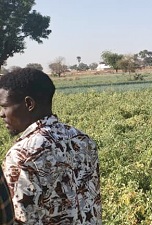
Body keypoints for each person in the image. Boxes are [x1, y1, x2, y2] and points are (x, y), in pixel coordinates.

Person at [0, 68, 102, 224]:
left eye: (5, 106)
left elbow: (21, 218)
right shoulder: (82, 139)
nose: (1, 114)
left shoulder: (23, 155)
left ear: (29, 104)